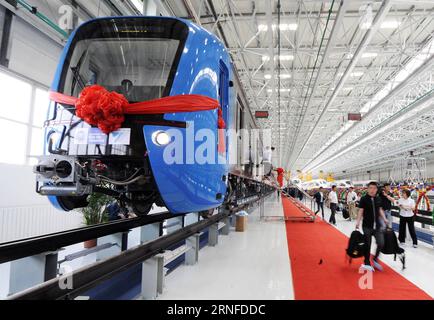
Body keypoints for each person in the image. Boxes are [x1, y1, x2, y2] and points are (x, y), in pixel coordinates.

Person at [356, 181, 389, 272]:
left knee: (381, 243)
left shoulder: (378, 199)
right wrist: (358, 222)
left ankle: (375, 259)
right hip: (367, 225)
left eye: (374, 188)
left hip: (377, 226)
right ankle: (367, 262)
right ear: (368, 189)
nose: (372, 190)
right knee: (368, 244)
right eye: (370, 188)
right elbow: (360, 211)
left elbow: (380, 209)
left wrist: (385, 219)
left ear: (376, 189)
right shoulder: (363, 199)